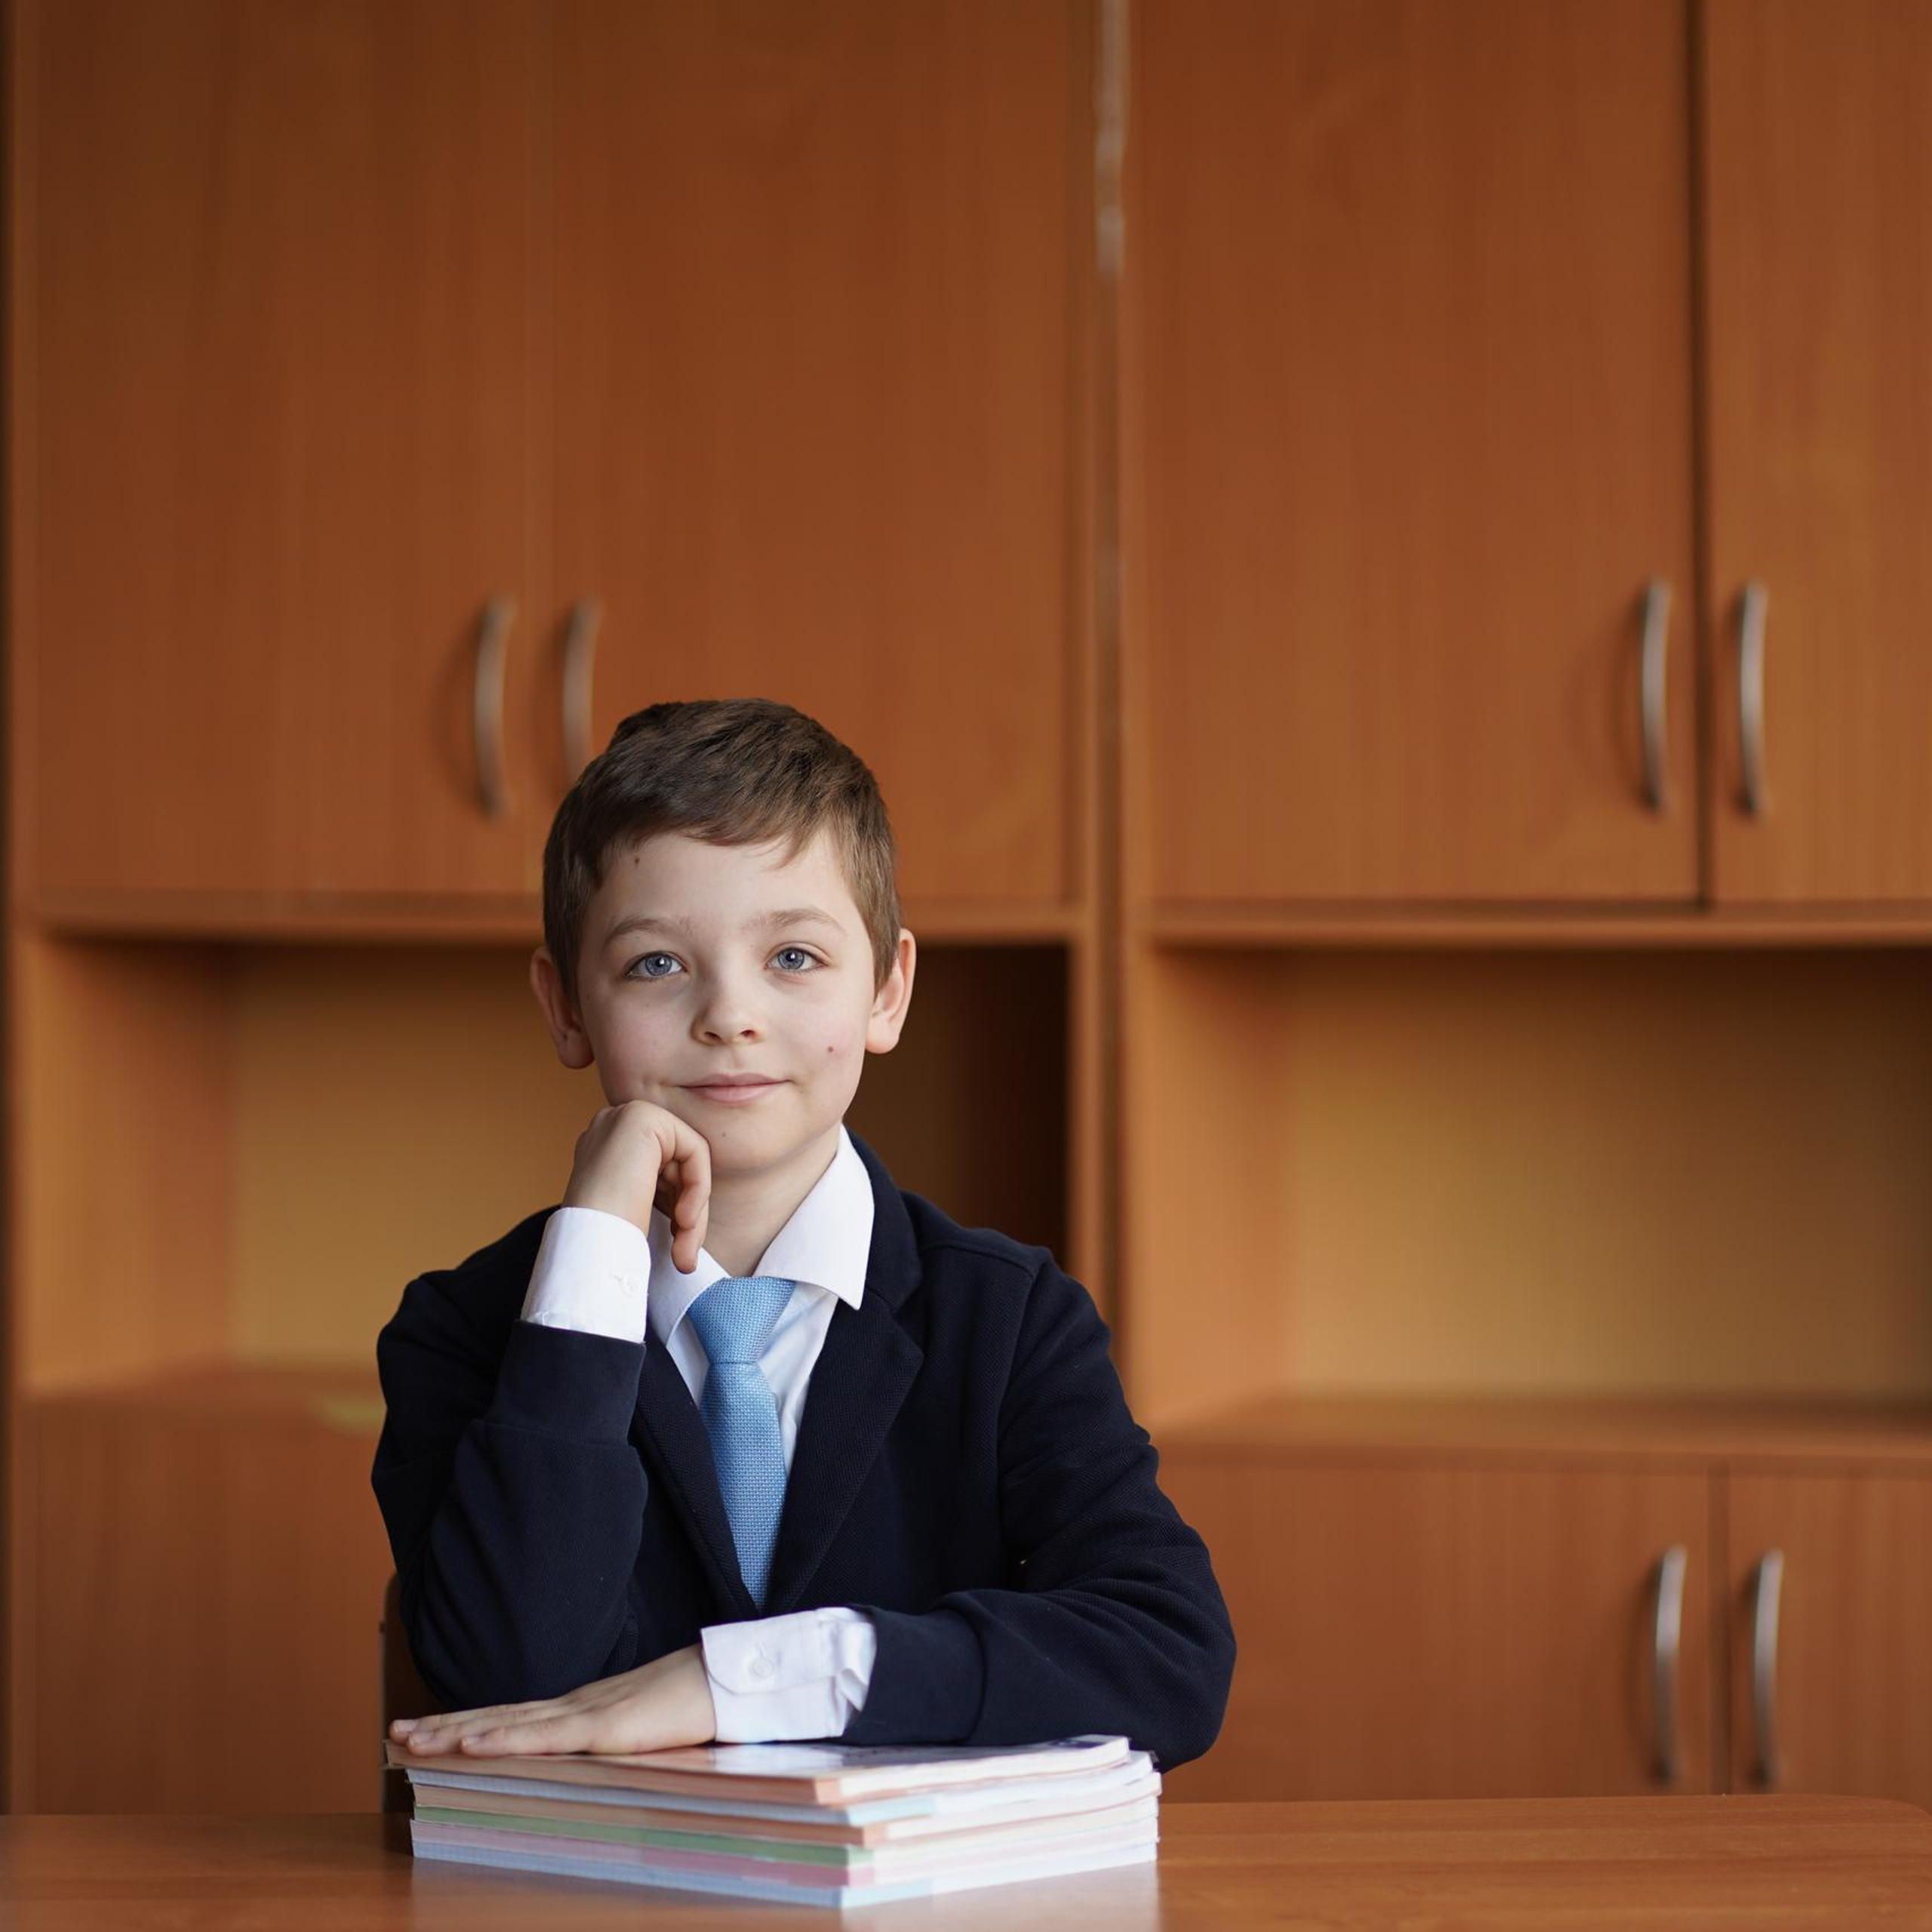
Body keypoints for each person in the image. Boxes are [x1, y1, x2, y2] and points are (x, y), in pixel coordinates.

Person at [372, 697, 1233, 1770]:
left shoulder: (1010, 1321)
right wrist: (593, 1245)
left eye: (792, 957)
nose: (729, 1014)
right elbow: (514, 1680)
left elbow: (1169, 1658)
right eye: (655, 964)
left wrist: (750, 1676)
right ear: (565, 1008)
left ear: (888, 990)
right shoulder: (464, 1332)